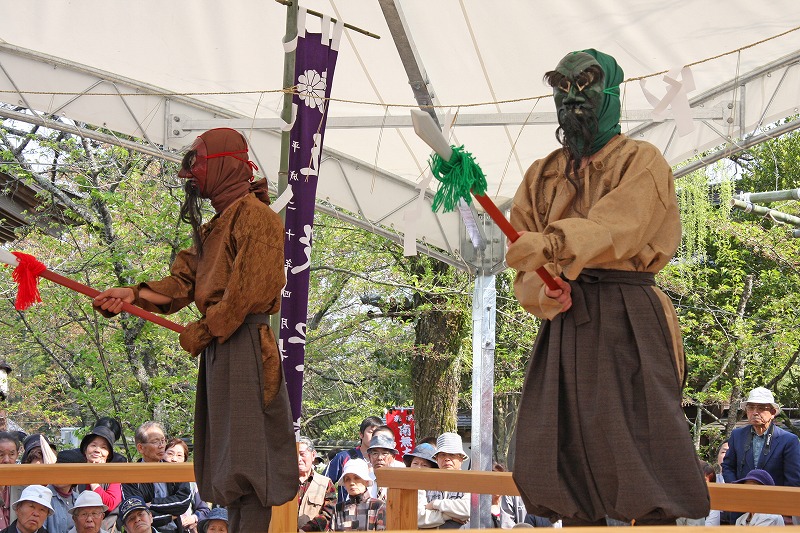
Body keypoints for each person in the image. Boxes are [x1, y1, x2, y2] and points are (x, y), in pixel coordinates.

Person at [505, 48, 709, 525]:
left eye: (586, 89)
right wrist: (544, 292)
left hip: (627, 309)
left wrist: (553, 245)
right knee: (563, 437)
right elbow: (525, 266)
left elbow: (620, 225)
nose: (573, 102)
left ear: (613, 95)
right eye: (563, 91)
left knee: (640, 434)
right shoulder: (540, 175)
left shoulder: (642, 160)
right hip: (567, 320)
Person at [93, 128, 296, 532]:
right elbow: (182, 284)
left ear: (223, 164)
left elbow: (248, 293)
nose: (191, 175)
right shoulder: (215, 227)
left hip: (244, 345)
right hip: (222, 346)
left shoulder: (257, 217)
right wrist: (133, 294)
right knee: (228, 463)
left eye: (199, 163)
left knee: (250, 465)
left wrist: (205, 329)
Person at [722, 387, 800, 488]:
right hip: (741, 497)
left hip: (775, 499)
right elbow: (728, 466)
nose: (755, 412)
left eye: (761, 408)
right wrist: (736, 489)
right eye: (750, 408)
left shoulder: (788, 440)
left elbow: (793, 479)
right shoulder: (737, 435)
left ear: (772, 413)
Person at [121, 422, 191, 532]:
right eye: (155, 442)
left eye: (163, 440)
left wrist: (152, 504)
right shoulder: (131, 476)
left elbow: (183, 502)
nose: (161, 445)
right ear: (140, 448)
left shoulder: (174, 470)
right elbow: (136, 516)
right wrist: (170, 516)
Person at [325, 417, 383, 504]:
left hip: (376, 513)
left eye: (378, 434)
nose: (374, 436)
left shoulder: (383, 461)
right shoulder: (343, 457)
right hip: (346, 514)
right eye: (371, 432)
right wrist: (332, 507)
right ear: (361, 434)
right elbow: (323, 484)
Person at [423, 433, 470, 529]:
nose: (447, 459)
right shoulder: (426, 482)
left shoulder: (469, 481)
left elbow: (467, 509)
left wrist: (434, 504)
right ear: (436, 459)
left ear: (461, 458)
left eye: (452, 455)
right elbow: (418, 516)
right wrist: (449, 515)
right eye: (442, 455)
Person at [164, 438, 210, 532]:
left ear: (184, 459)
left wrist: (194, 518)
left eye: (179, 455)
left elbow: (204, 510)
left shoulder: (191, 483)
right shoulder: (156, 481)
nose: (174, 459)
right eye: (170, 454)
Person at [332, 459, 385, 531]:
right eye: (347, 479)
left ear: (366, 481)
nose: (352, 483)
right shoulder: (338, 509)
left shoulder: (379, 506)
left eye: (356, 478)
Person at [297, 437, 335, 532]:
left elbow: (329, 514)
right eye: (294, 454)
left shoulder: (325, 483)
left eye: (302, 454)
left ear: (313, 455)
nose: (298, 459)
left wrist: (304, 530)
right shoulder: (282, 483)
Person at [57, 418, 127, 464]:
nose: (97, 450)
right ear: (86, 447)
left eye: (104, 447)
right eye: (93, 445)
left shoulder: (118, 462)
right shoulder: (71, 458)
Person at [365, 434, 399, 501]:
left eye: (384, 453)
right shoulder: (363, 481)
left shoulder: (399, 482)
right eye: (375, 453)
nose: (379, 458)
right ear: (369, 457)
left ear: (393, 457)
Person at [0, 431, 23, 529]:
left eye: (11, 454)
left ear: (17, 455)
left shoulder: (22, 485)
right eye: (1, 455)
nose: (6, 460)